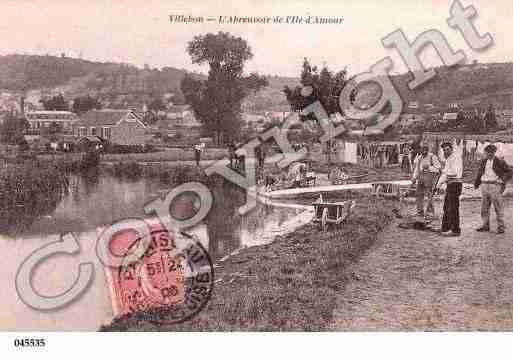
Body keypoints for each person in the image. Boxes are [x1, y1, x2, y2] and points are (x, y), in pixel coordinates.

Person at [474, 144, 512, 234]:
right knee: (484, 207)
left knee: (498, 206)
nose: (489, 154)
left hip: (495, 185)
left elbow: (510, 171)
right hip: (484, 185)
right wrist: (477, 183)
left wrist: (502, 181)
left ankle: (501, 226)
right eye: (487, 152)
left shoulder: (500, 161)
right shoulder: (483, 161)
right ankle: (485, 225)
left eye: (491, 152)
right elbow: (480, 172)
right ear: (485, 153)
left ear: (494, 152)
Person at [436, 142, 463, 236]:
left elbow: (454, 173)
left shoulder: (456, 158)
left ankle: (455, 230)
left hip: (456, 184)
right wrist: (438, 186)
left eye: (447, 149)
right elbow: (445, 174)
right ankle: (445, 228)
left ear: (451, 149)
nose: (446, 151)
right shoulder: (448, 159)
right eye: (444, 150)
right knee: (446, 207)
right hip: (450, 184)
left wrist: (443, 172)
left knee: (453, 208)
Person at [412, 145, 441, 218]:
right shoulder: (419, 158)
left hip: (429, 177)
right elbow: (417, 169)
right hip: (421, 177)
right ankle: (420, 211)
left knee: (429, 195)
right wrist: (414, 178)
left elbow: (438, 168)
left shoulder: (432, 157)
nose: (423, 152)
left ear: (427, 150)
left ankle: (430, 213)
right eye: (422, 151)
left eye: (425, 151)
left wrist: (429, 167)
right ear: (420, 151)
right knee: (419, 194)